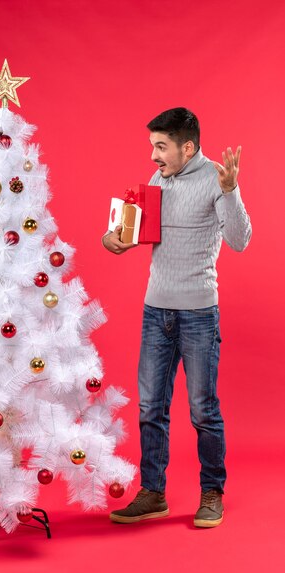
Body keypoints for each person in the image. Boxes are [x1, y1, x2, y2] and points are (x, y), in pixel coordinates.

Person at [102, 107, 252, 528]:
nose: (153, 156)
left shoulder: (216, 179)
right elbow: (138, 234)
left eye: (160, 146)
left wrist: (232, 190)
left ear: (187, 147)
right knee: (151, 407)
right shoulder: (158, 180)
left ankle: (212, 493)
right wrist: (113, 238)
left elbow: (240, 240)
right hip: (156, 313)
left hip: (199, 314)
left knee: (203, 409)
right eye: (152, 146)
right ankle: (153, 493)